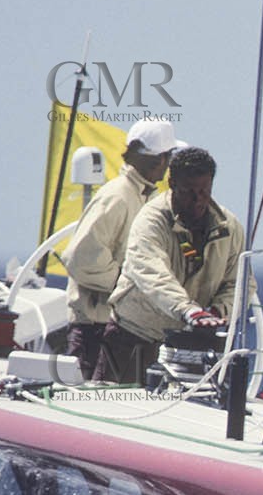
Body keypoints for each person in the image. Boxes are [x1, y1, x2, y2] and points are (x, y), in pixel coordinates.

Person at [96, 146, 251, 384]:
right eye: (189, 191)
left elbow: (240, 283)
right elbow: (152, 273)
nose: (198, 200)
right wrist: (188, 310)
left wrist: (218, 312)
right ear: (172, 184)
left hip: (192, 346)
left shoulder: (229, 228)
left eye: (204, 191)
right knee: (111, 405)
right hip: (133, 339)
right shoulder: (150, 221)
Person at [60, 118, 183, 377]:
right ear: (158, 159)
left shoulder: (141, 198)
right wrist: (128, 287)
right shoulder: (118, 196)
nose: (169, 164)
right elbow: (80, 259)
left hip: (118, 329)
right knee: (92, 399)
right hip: (96, 329)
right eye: (168, 157)